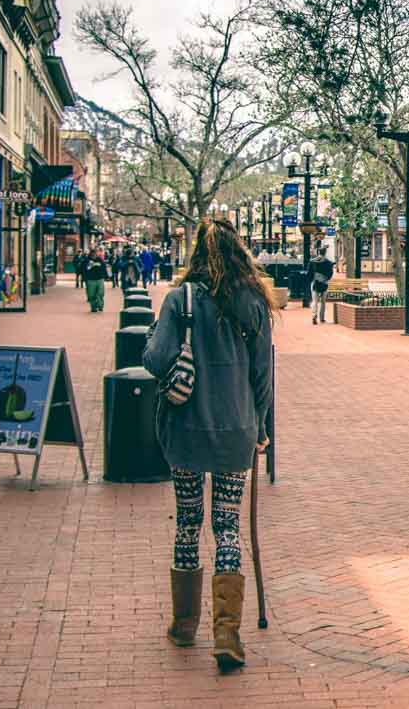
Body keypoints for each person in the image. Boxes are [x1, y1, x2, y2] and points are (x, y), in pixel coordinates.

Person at [143, 219, 275, 672]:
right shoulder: (252, 301)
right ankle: (227, 632)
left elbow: (156, 360)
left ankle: (184, 624)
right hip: (236, 428)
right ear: (239, 251)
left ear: (196, 252)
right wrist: (260, 426)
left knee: (188, 522)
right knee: (227, 526)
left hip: (185, 430)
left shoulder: (180, 300)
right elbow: (263, 375)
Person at [309, 246, 335, 324]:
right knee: (323, 302)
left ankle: (314, 316)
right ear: (325, 253)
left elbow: (309, 273)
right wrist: (326, 279)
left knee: (315, 301)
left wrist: (312, 279)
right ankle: (322, 318)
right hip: (324, 283)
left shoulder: (312, 261)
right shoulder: (328, 262)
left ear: (318, 252)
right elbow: (330, 273)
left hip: (315, 283)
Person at [82, 247, 110, 312]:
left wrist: (106, 276)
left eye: (95, 253)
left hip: (100, 279)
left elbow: (104, 268)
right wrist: (85, 277)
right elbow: (83, 270)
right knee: (91, 295)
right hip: (90, 280)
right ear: (90, 254)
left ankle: (100, 306)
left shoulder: (100, 260)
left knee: (100, 293)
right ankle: (93, 307)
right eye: (93, 254)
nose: (94, 255)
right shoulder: (86, 261)